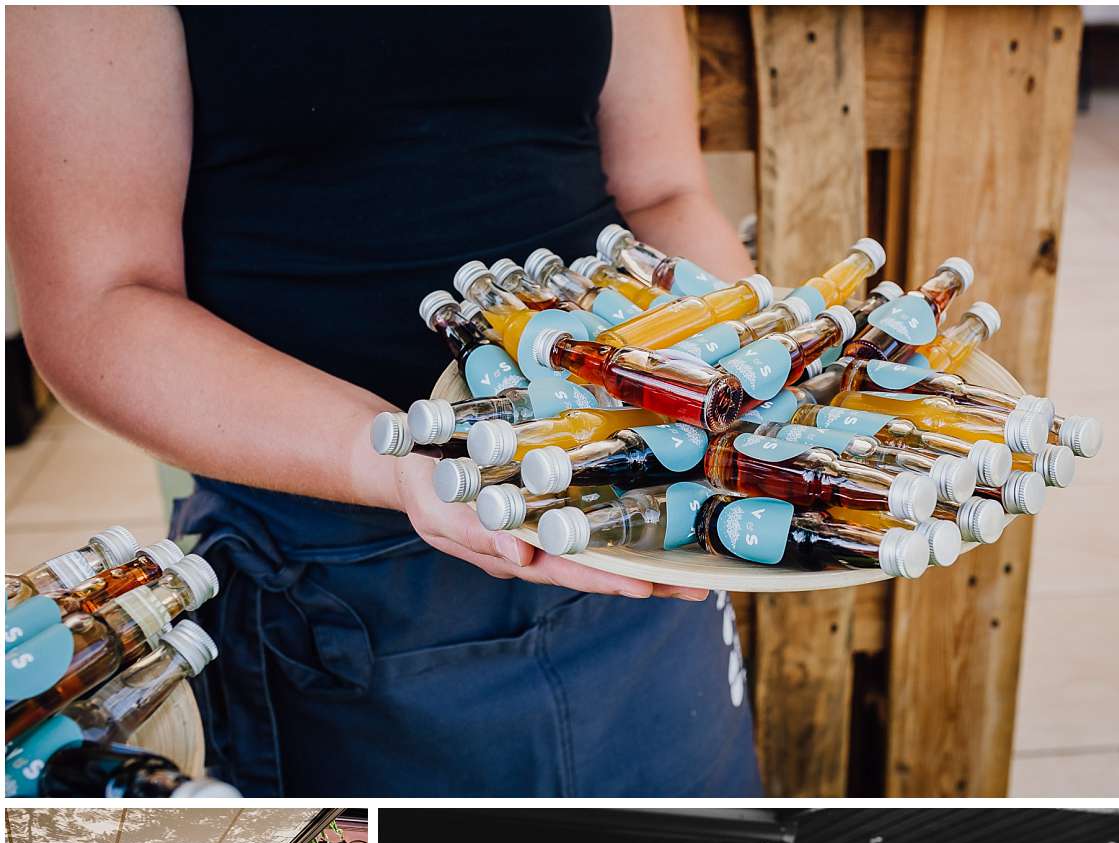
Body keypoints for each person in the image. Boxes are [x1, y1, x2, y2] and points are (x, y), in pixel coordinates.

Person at [5, 7, 763, 796]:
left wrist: (743, 386)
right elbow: (97, 302)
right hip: (336, 581)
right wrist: (397, 461)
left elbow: (663, 192)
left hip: (644, 515)